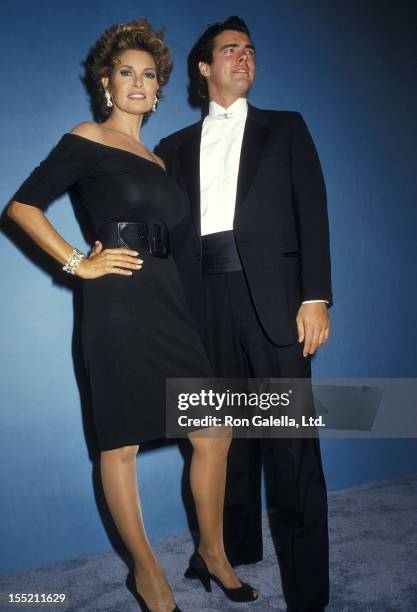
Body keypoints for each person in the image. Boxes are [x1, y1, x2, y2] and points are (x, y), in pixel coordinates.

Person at [7, 18, 257, 612]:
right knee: (119, 445)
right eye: (127, 72)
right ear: (107, 83)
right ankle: (146, 573)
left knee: (215, 433)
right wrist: (76, 262)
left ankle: (213, 554)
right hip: (116, 305)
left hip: (169, 302)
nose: (138, 83)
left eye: (148, 75)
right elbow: (21, 206)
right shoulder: (88, 136)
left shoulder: (159, 158)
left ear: (158, 87)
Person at [155, 16, 332, 612]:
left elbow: (312, 211)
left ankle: (308, 591)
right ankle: (229, 552)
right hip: (198, 303)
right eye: (231, 50)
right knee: (219, 444)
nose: (245, 57)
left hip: (276, 301)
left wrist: (315, 296)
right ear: (204, 67)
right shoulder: (171, 148)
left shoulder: (286, 129)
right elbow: (159, 232)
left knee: (291, 444)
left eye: (251, 50)